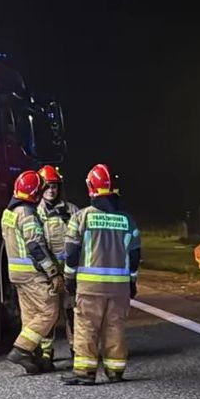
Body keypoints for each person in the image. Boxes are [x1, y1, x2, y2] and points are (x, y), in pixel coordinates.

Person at [61, 164, 141, 385]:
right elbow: (135, 256)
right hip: (119, 288)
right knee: (115, 327)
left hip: (89, 288)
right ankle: (115, 371)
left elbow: (71, 252)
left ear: (91, 188)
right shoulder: (127, 220)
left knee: (86, 327)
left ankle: (85, 373)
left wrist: (69, 279)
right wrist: (132, 282)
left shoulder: (81, 218)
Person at [2, 170, 63, 374]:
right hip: (31, 273)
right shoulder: (27, 214)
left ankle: (32, 358)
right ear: (35, 193)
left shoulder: (8, 213)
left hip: (16, 274)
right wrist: (53, 272)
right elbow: (35, 245)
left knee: (30, 316)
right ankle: (21, 349)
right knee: (49, 310)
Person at [36, 165, 78, 370]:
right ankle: (47, 352)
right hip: (48, 273)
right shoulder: (36, 213)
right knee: (49, 313)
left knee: (72, 312)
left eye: (54, 186)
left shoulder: (71, 210)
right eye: (47, 186)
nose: (51, 190)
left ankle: (76, 349)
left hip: (70, 272)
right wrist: (49, 271)